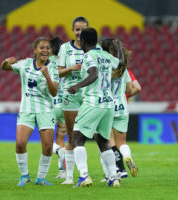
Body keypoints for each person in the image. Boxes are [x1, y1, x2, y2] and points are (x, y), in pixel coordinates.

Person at [67, 27, 124, 187]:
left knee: (77, 138)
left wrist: (77, 86)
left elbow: (93, 74)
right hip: (108, 103)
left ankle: (84, 176)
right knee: (103, 141)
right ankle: (113, 177)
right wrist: (118, 47)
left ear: (82, 41)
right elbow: (120, 62)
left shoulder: (88, 56)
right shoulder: (106, 55)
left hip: (94, 101)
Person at [0, 37, 59, 186]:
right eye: (42, 47)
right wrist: (6, 61)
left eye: (47, 48)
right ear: (35, 50)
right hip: (27, 109)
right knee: (20, 143)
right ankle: (24, 176)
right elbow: (4, 67)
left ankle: (41, 178)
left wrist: (47, 76)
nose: (45, 50)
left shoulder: (53, 68)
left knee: (47, 146)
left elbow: (54, 92)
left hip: (45, 110)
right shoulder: (25, 64)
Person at [100, 38, 141, 180]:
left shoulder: (104, 67)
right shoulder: (123, 68)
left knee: (108, 142)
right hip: (122, 106)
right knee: (121, 143)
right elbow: (131, 88)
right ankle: (127, 156)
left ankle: (113, 172)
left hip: (107, 106)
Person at [57, 16, 89, 184]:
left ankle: (108, 174)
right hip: (70, 94)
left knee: (99, 136)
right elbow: (58, 72)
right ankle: (69, 177)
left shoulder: (93, 48)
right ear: (73, 30)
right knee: (71, 137)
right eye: (77, 29)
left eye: (83, 30)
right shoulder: (64, 48)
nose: (79, 33)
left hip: (88, 96)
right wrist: (71, 68)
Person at [49, 37, 67, 179]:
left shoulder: (48, 61)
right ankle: (63, 171)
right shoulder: (66, 61)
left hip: (51, 103)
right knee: (61, 136)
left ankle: (59, 151)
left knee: (47, 140)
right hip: (66, 103)